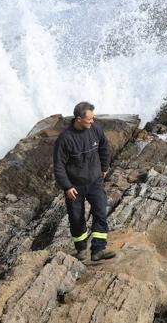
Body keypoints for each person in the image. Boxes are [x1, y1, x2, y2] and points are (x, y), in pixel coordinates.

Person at [53, 101, 116, 261]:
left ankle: (98, 250)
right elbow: (59, 165)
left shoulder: (95, 129)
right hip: (75, 187)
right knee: (76, 218)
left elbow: (104, 146)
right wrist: (67, 187)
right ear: (79, 119)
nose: (92, 121)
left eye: (93, 118)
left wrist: (104, 166)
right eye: (89, 119)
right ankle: (81, 249)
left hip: (95, 181)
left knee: (101, 212)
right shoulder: (65, 139)